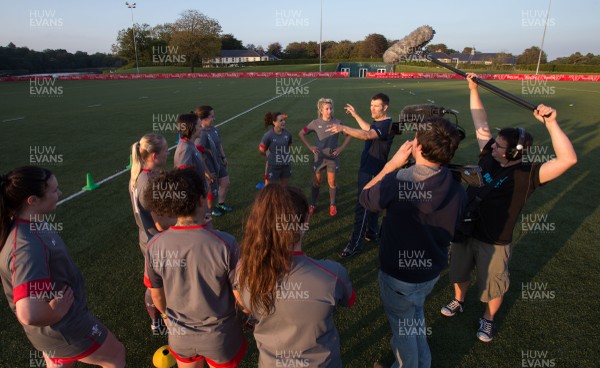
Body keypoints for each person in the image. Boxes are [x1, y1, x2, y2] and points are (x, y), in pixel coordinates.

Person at [440, 73, 577, 343]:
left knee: (494, 284)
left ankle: (488, 319)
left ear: (514, 153)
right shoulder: (489, 156)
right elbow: (481, 122)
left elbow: (568, 159)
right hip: (465, 229)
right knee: (458, 271)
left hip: (495, 240)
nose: (491, 146)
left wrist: (552, 124)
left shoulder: (529, 176)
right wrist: (473, 89)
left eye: (499, 146)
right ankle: (459, 300)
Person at [360, 119, 465, 368]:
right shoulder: (458, 188)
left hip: (399, 276)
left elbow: (366, 197)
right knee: (414, 315)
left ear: (417, 146)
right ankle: (423, 362)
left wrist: (390, 166)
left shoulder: (398, 180)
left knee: (403, 329)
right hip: (430, 272)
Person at [0, 166, 126, 368]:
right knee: (116, 355)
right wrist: (56, 313)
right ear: (32, 200)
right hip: (66, 328)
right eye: (54, 190)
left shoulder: (29, 224)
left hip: (53, 333)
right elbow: (28, 313)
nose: (60, 193)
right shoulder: (27, 246)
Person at [234, 184, 355, 367]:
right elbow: (349, 301)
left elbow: (242, 302)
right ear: (306, 219)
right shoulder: (332, 274)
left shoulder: (244, 270)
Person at [144, 168, 247, 367]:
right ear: (201, 200)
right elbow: (240, 296)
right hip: (220, 337)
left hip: (181, 337)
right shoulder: (225, 243)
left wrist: (167, 315)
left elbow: (157, 296)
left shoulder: (154, 245)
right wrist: (250, 316)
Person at [326, 93, 396, 258]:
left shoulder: (386, 124)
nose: (372, 108)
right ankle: (372, 232)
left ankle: (355, 244)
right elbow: (368, 129)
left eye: (376, 106)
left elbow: (367, 135)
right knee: (372, 203)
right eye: (371, 105)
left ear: (385, 107)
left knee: (363, 206)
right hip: (368, 169)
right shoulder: (380, 122)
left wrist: (343, 128)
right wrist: (356, 114)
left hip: (372, 171)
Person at [129, 133, 175, 334]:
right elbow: (161, 223)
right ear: (155, 156)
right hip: (156, 241)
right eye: (165, 150)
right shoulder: (148, 182)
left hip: (147, 238)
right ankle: (159, 319)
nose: (168, 153)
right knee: (157, 285)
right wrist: (187, 218)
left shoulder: (142, 175)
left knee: (154, 282)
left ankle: (157, 320)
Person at [298, 98, 352, 217]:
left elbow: (349, 135)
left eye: (331, 108)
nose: (329, 111)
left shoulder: (338, 122)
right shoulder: (314, 123)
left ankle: (332, 205)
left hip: (332, 158)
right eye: (327, 109)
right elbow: (301, 133)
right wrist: (311, 147)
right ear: (321, 110)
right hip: (319, 158)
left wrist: (340, 148)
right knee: (317, 182)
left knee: (331, 182)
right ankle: (312, 204)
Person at [193, 105, 233, 217]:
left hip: (217, 163)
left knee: (225, 183)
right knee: (211, 193)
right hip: (209, 167)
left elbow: (219, 144)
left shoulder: (214, 129)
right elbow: (198, 155)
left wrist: (223, 157)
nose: (213, 119)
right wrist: (207, 173)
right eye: (211, 116)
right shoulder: (200, 135)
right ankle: (210, 211)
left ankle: (220, 204)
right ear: (202, 119)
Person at [259, 112, 293, 186]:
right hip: (273, 166)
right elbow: (261, 150)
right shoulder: (268, 136)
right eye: (281, 120)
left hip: (285, 165)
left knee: (284, 188)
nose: (284, 122)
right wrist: (270, 157)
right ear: (274, 122)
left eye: (284, 120)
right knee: (269, 189)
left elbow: (289, 145)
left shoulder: (288, 134)